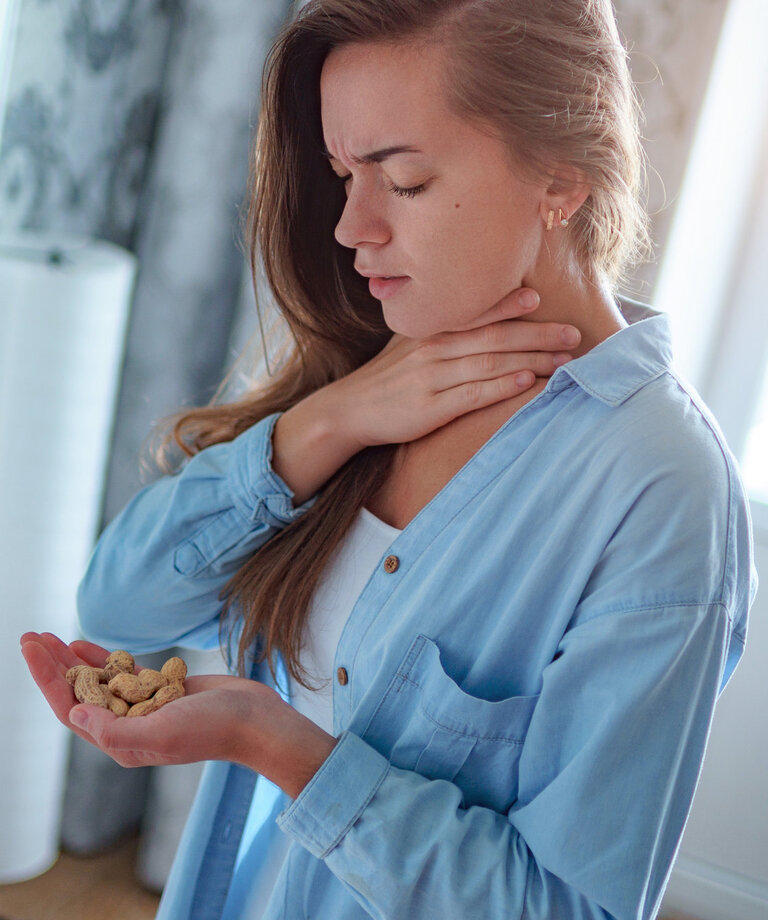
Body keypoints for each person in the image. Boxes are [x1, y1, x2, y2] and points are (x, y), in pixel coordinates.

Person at [21, 0, 758, 918]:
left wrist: (275, 742)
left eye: (402, 181)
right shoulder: (380, 360)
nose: (351, 226)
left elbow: (573, 909)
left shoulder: (661, 494)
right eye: (341, 175)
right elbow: (122, 607)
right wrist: (331, 420)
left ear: (562, 181)